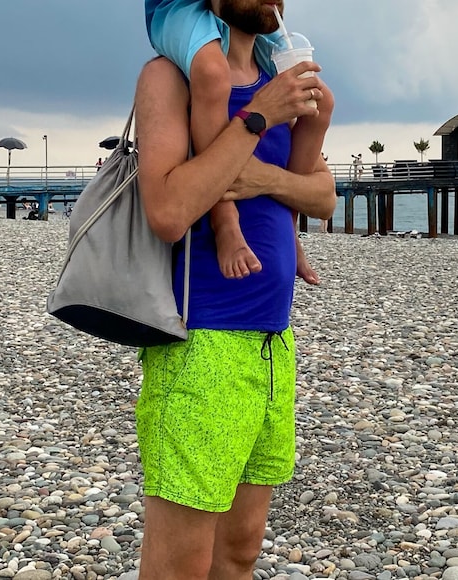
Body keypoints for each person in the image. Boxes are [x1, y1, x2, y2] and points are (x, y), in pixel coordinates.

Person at [134, 1, 335, 578]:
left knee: (240, 551)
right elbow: (169, 212)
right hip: (202, 343)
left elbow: (323, 198)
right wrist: (255, 121)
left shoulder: (280, 83)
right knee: (182, 565)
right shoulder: (169, 76)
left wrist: (264, 177)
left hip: (273, 344)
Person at [145, 0, 323, 285]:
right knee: (213, 72)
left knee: (318, 96)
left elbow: (326, 200)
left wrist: (269, 180)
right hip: (178, 7)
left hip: (273, 324)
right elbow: (168, 218)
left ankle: (291, 235)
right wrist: (259, 116)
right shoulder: (165, 77)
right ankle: (224, 221)